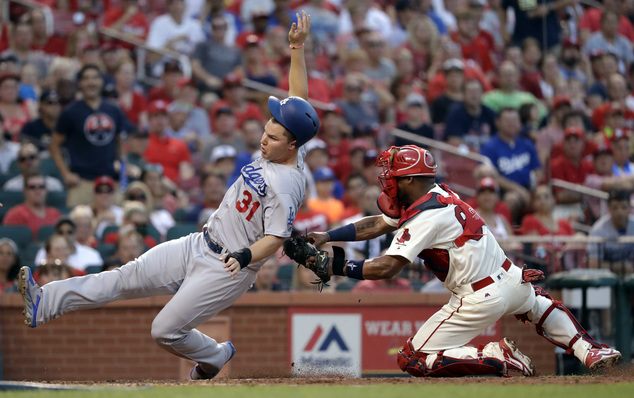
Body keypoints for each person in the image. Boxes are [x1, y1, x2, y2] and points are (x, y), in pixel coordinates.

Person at [18, 12, 319, 381]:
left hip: (228, 267)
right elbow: (297, 99)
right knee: (122, 278)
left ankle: (215, 355)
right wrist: (297, 47)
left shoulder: (288, 183)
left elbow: (277, 237)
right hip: (198, 243)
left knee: (163, 330)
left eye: (272, 138)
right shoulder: (290, 142)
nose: (263, 139)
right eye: (266, 131)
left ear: (293, 144)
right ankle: (44, 302)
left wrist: (244, 256)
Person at [307, 144, 622, 377]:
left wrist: (335, 266)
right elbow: (380, 223)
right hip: (513, 278)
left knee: (412, 358)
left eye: (395, 176)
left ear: (412, 180)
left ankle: (496, 357)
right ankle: (589, 349)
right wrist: (329, 236)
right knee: (537, 305)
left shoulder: (424, 218)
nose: (388, 180)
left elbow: (389, 266)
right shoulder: (439, 191)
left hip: (479, 296)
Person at [49, 64, 128, 207]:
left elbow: (120, 142)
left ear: (102, 81)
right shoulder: (70, 112)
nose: (91, 82)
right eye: (86, 78)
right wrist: (66, 174)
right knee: (78, 224)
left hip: (110, 182)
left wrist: (122, 169)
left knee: (114, 225)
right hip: (82, 182)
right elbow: (54, 146)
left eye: (95, 78)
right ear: (80, 83)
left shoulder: (114, 110)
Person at [587, 189, 634, 273]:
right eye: (615, 207)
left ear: (630, 208)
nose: (619, 212)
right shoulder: (598, 230)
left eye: (623, 207)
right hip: (606, 279)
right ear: (608, 208)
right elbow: (593, 264)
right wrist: (621, 267)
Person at [3, 172, 61, 239]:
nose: (37, 191)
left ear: (46, 190)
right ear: (25, 190)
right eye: (32, 187)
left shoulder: (56, 214)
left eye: (41, 187)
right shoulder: (15, 214)